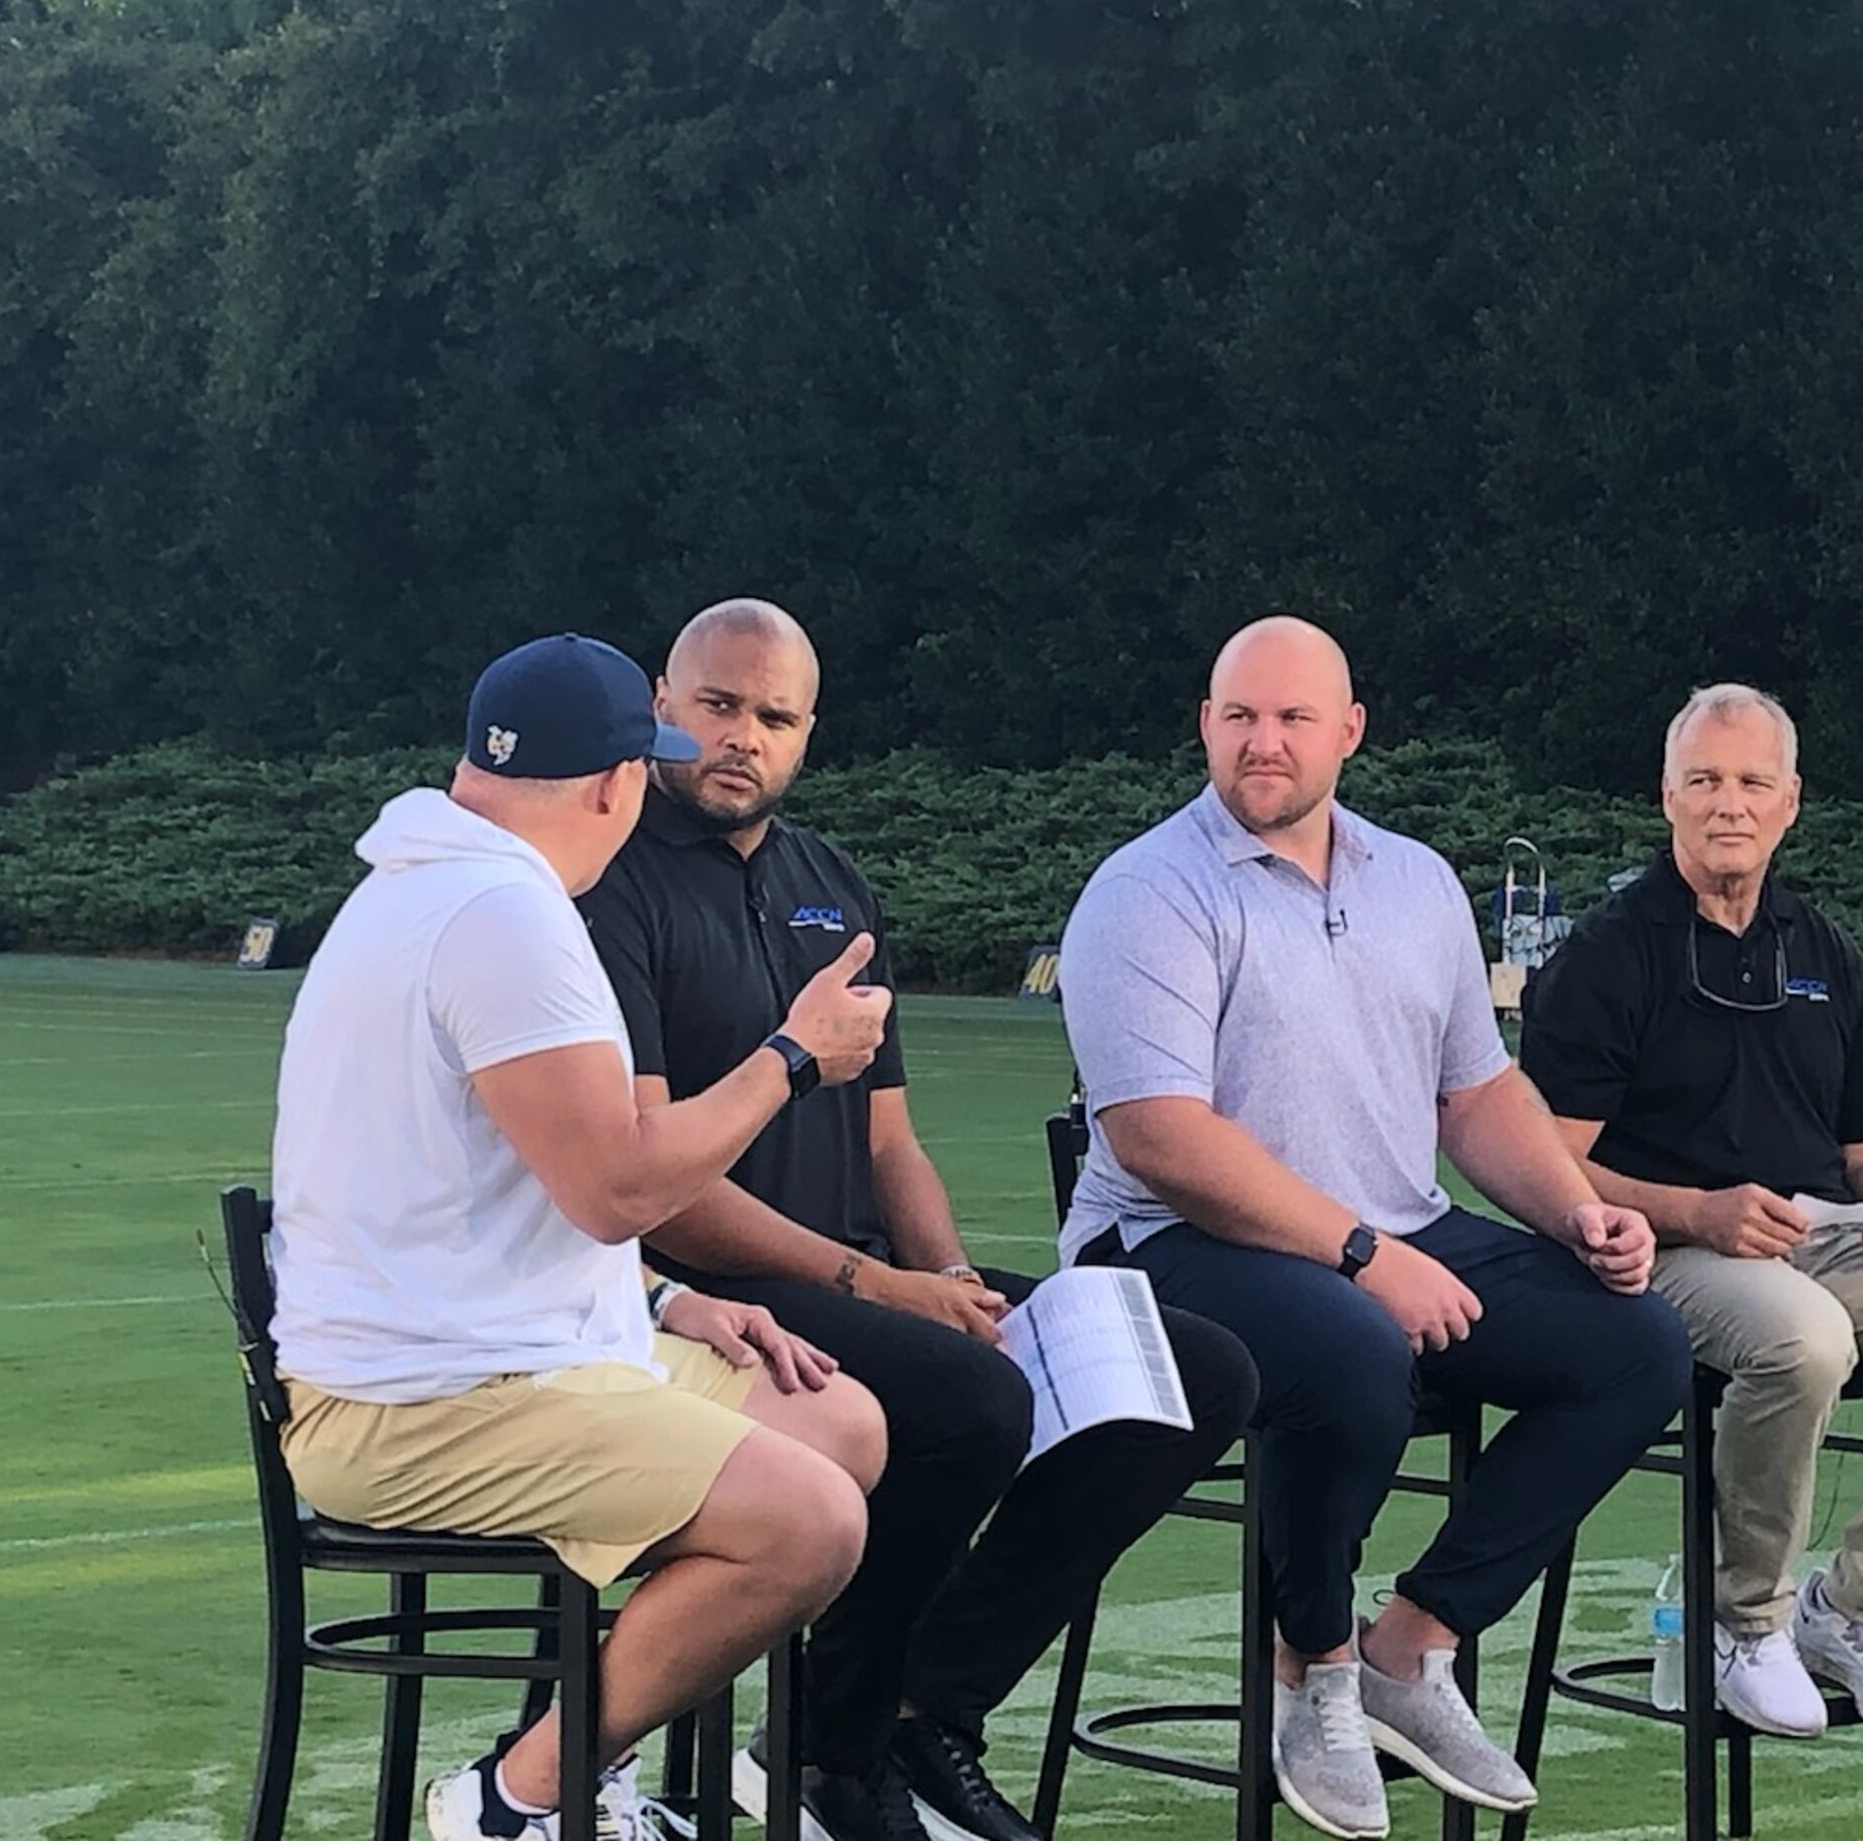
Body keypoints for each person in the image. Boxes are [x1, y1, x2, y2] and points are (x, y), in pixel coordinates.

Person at [578, 599, 1257, 1841]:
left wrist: (947, 1274)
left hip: (868, 1273)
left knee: (1193, 1373)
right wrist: (882, 1290)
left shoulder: (830, 878)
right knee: (969, 1402)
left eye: (774, 718)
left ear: (808, 732)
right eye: (718, 706)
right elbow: (655, 1182)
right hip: (708, 1291)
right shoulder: (612, 882)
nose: (742, 739)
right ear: (663, 703)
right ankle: (824, 1763)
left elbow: (890, 1137)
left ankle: (920, 1711)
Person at [1058, 616, 1689, 1841]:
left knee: (1638, 1347)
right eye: (1239, 715)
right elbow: (1159, 1140)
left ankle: (1412, 1646)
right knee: (1349, 1348)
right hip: (1169, 1247)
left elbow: (1478, 1093)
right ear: (1204, 725)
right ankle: (1316, 1670)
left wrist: (1578, 1208)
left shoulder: (1415, 881)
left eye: (1294, 718)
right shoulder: (1148, 890)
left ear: (1349, 731)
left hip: (1396, 1232)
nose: (1264, 742)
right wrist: (1362, 1254)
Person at [268, 634, 898, 1841]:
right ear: (616, 783)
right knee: (808, 1522)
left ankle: (571, 1764)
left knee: (840, 1422)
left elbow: (492, 1193)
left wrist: (660, 1304)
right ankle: (520, 1804)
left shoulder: (429, 880)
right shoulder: (506, 913)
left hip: (474, 1357)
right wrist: (793, 1058)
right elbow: (616, 1190)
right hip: (424, 1402)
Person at [1516, 682, 1863, 1753]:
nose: (1729, 805)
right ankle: (1742, 1618)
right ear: (1666, 795)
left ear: (1790, 801)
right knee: (1803, 1342)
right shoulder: (1611, 953)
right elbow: (1548, 1165)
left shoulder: (1823, 948)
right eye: (1705, 781)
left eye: (1752, 783)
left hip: (1820, 1234)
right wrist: (1696, 1212)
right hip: (1653, 1246)